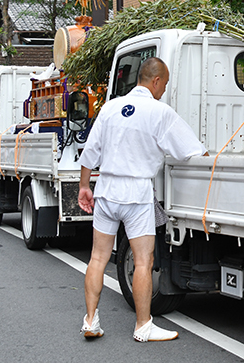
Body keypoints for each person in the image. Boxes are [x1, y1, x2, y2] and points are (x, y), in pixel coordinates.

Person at [77, 57, 206, 342]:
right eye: (165, 84)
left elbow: (90, 150)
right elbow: (192, 150)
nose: (164, 90)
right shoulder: (160, 112)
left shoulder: (110, 107)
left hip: (106, 190)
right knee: (143, 262)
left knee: (97, 257)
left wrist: (84, 186)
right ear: (156, 81)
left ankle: (90, 320)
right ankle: (143, 325)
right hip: (136, 195)